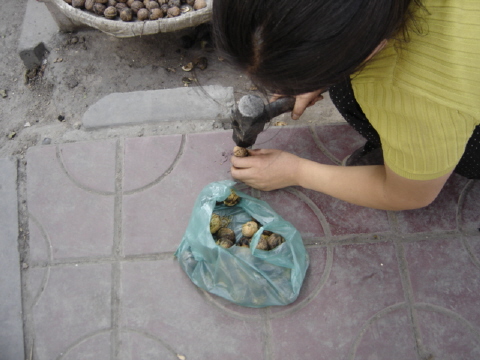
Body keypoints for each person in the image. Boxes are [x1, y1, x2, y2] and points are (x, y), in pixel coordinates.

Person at [212, 0, 480, 211]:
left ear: (372, 48)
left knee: (349, 94)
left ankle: (418, 159)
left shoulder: (415, 97)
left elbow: (409, 196)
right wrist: (317, 66)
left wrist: (296, 171)